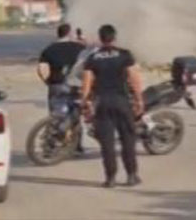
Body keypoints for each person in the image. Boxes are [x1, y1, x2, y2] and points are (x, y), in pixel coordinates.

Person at [81, 24, 143, 188]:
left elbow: (86, 84)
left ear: (100, 39)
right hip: (121, 101)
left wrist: (85, 104)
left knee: (107, 143)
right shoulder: (125, 55)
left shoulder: (92, 58)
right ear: (114, 38)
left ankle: (111, 178)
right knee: (128, 140)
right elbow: (134, 78)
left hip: (102, 103)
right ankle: (131, 176)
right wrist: (139, 100)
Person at [38, 23, 87, 151]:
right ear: (70, 34)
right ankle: (76, 146)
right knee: (75, 116)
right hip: (75, 86)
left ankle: (50, 145)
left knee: (55, 116)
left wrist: (48, 82)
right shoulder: (79, 48)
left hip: (56, 85)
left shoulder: (49, 49)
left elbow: (41, 69)